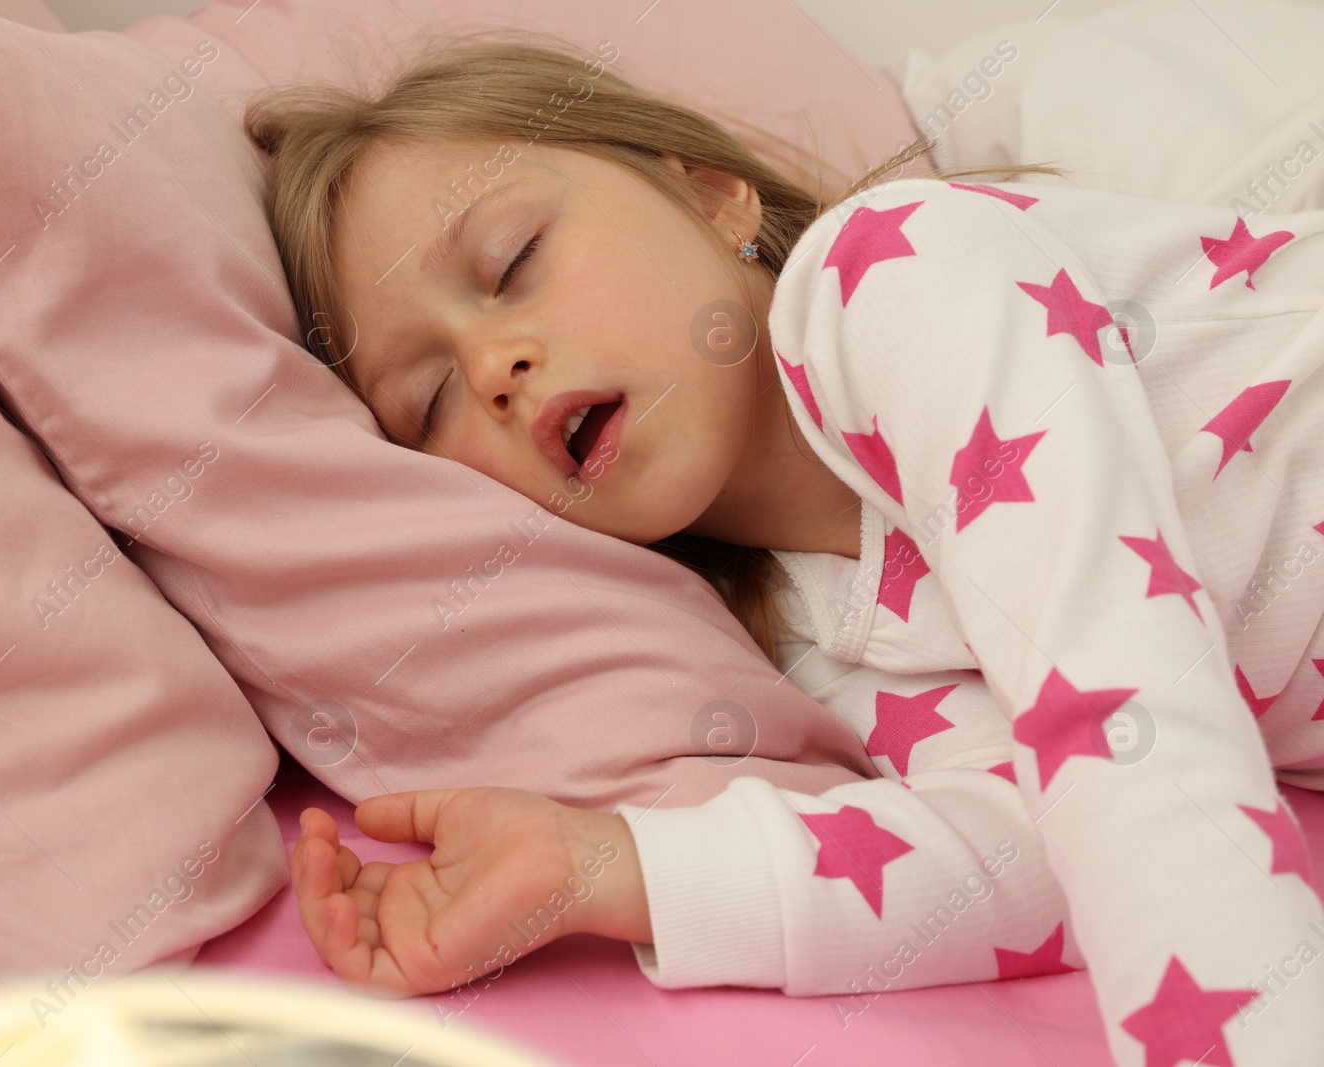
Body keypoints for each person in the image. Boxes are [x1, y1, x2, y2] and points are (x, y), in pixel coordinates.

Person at [246, 36, 1324, 1064]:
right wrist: (603, 866)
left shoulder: (894, 275)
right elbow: (1047, 848)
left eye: (513, 258)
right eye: (431, 401)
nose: (494, 364)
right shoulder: (814, 630)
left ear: (716, 195)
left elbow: (1125, 711)